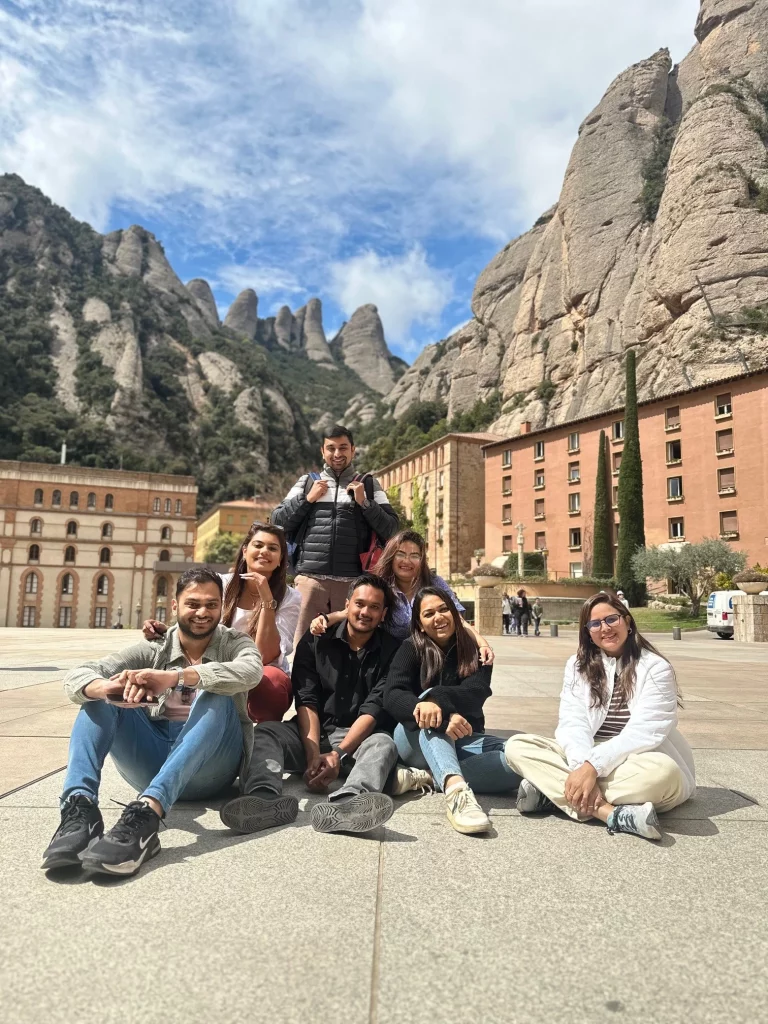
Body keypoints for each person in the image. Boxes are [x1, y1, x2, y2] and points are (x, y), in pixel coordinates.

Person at [41, 569, 263, 877]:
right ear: (175, 606)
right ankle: (80, 811)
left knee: (217, 692)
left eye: (211, 604)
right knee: (100, 695)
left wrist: (175, 678)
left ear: (221, 606)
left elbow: (252, 671)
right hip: (151, 762)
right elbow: (79, 674)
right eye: (192, 604)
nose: (202, 612)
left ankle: (148, 814)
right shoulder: (153, 649)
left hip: (212, 770)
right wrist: (106, 688)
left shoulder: (235, 643)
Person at [219, 574, 419, 836]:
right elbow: (306, 700)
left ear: (383, 614)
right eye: (359, 604)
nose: (365, 612)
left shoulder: (393, 651)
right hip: (312, 733)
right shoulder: (316, 640)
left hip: (358, 739)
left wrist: (338, 754)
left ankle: (350, 802)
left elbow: (374, 708)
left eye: (374, 607)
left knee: (384, 744)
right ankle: (264, 798)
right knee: (265, 732)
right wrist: (313, 754)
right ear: (347, 605)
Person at [505, 592, 696, 841]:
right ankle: (611, 814)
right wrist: (583, 767)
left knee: (663, 773)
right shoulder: (577, 665)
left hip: (637, 758)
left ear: (627, 621)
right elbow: (573, 722)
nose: (604, 628)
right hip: (586, 754)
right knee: (517, 746)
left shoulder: (655, 667)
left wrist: (594, 767)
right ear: (588, 632)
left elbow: (646, 731)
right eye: (595, 624)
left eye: (611, 619)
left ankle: (553, 793)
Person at [384, 587, 521, 836]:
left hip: (462, 739)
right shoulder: (411, 648)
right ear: (420, 625)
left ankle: (429, 776)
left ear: (455, 614)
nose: (438, 617)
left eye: (444, 609)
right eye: (429, 614)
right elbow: (392, 695)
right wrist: (437, 711)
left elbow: (477, 692)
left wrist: (440, 700)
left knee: (518, 761)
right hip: (413, 739)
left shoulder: (476, 652)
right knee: (429, 706)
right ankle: (456, 793)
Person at [144, 522, 301, 724]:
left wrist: (267, 601)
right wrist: (168, 632)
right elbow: (200, 624)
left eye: (273, 548)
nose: (264, 552)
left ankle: (265, 735)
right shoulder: (221, 584)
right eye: (258, 545)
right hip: (216, 665)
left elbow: (263, 656)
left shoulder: (291, 598)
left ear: (281, 559)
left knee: (273, 680)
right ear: (245, 551)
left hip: (259, 676)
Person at [271, 425, 398, 645]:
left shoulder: (368, 484)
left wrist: (365, 503)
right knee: (302, 648)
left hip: (352, 585)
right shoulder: (306, 482)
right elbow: (277, 521)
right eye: (331, 448)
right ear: (323, 451)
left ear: (353, 450)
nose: (337, 453)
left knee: (347, 649)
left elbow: (392, 529)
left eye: (343, 447)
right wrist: (307, 499)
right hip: (310, 582)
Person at [309, 529, 494, 663]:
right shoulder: (381, 584)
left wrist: (482, 643)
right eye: (401, 554)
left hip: (431, 656)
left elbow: (457, 619)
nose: (407, 561)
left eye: (414, 555)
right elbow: (354, 610)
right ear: (391, 556)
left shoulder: (434, 582)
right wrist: (326, 619)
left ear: (422, 559)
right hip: (390, 658)